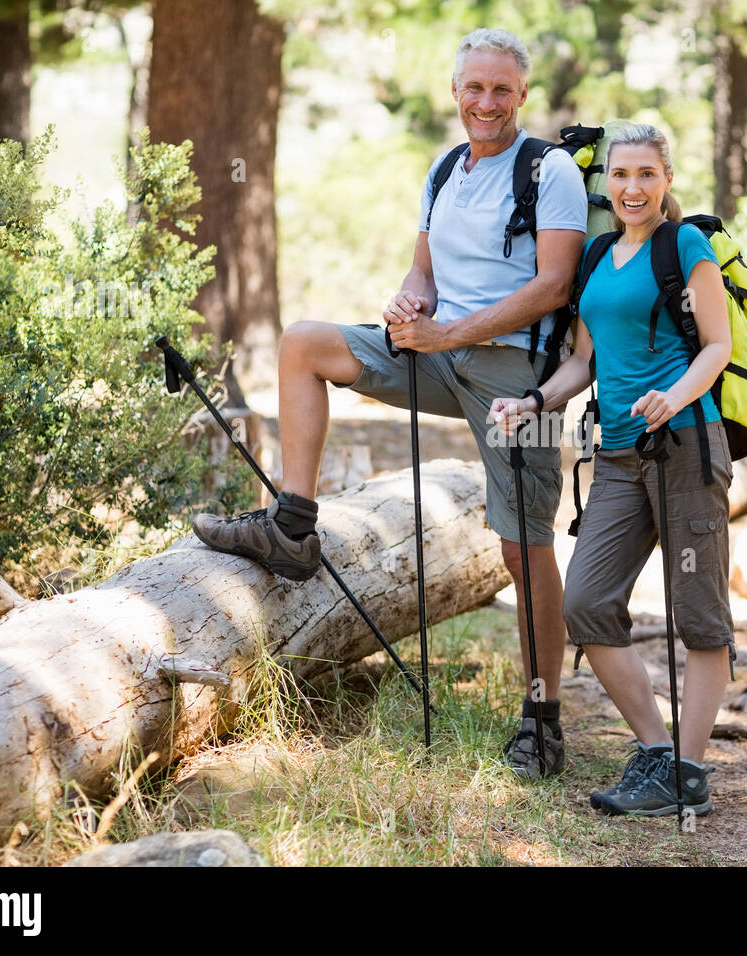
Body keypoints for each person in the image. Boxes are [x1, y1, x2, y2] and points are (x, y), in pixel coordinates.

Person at [191, 28, 589, 780]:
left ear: (522, 96)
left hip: (518, 376)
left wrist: (445, 334)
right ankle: (292, 527)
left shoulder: (551, 170)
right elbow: (424, 271)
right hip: (438, 352)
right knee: (305, 343)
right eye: (474, 87)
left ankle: (543, 721)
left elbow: (553, 286)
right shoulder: (444, 170)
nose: (486, 102)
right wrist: (413, 302)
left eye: (502, 89)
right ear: (455, 90)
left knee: (523, 545)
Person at [491, 124, 734, 816]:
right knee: (586, 604)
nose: (632, 188)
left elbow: (716, 346)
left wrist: (675, 396)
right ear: (609, 184)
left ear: (666, 179)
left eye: (647, 175)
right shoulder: (598, 255)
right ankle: (657, 754)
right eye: (621, 175)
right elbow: (584, 361)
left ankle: (688, 774)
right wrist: (534, 400)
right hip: (620, 457)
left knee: (700, 618)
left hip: (687, 446)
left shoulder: (685, 246)